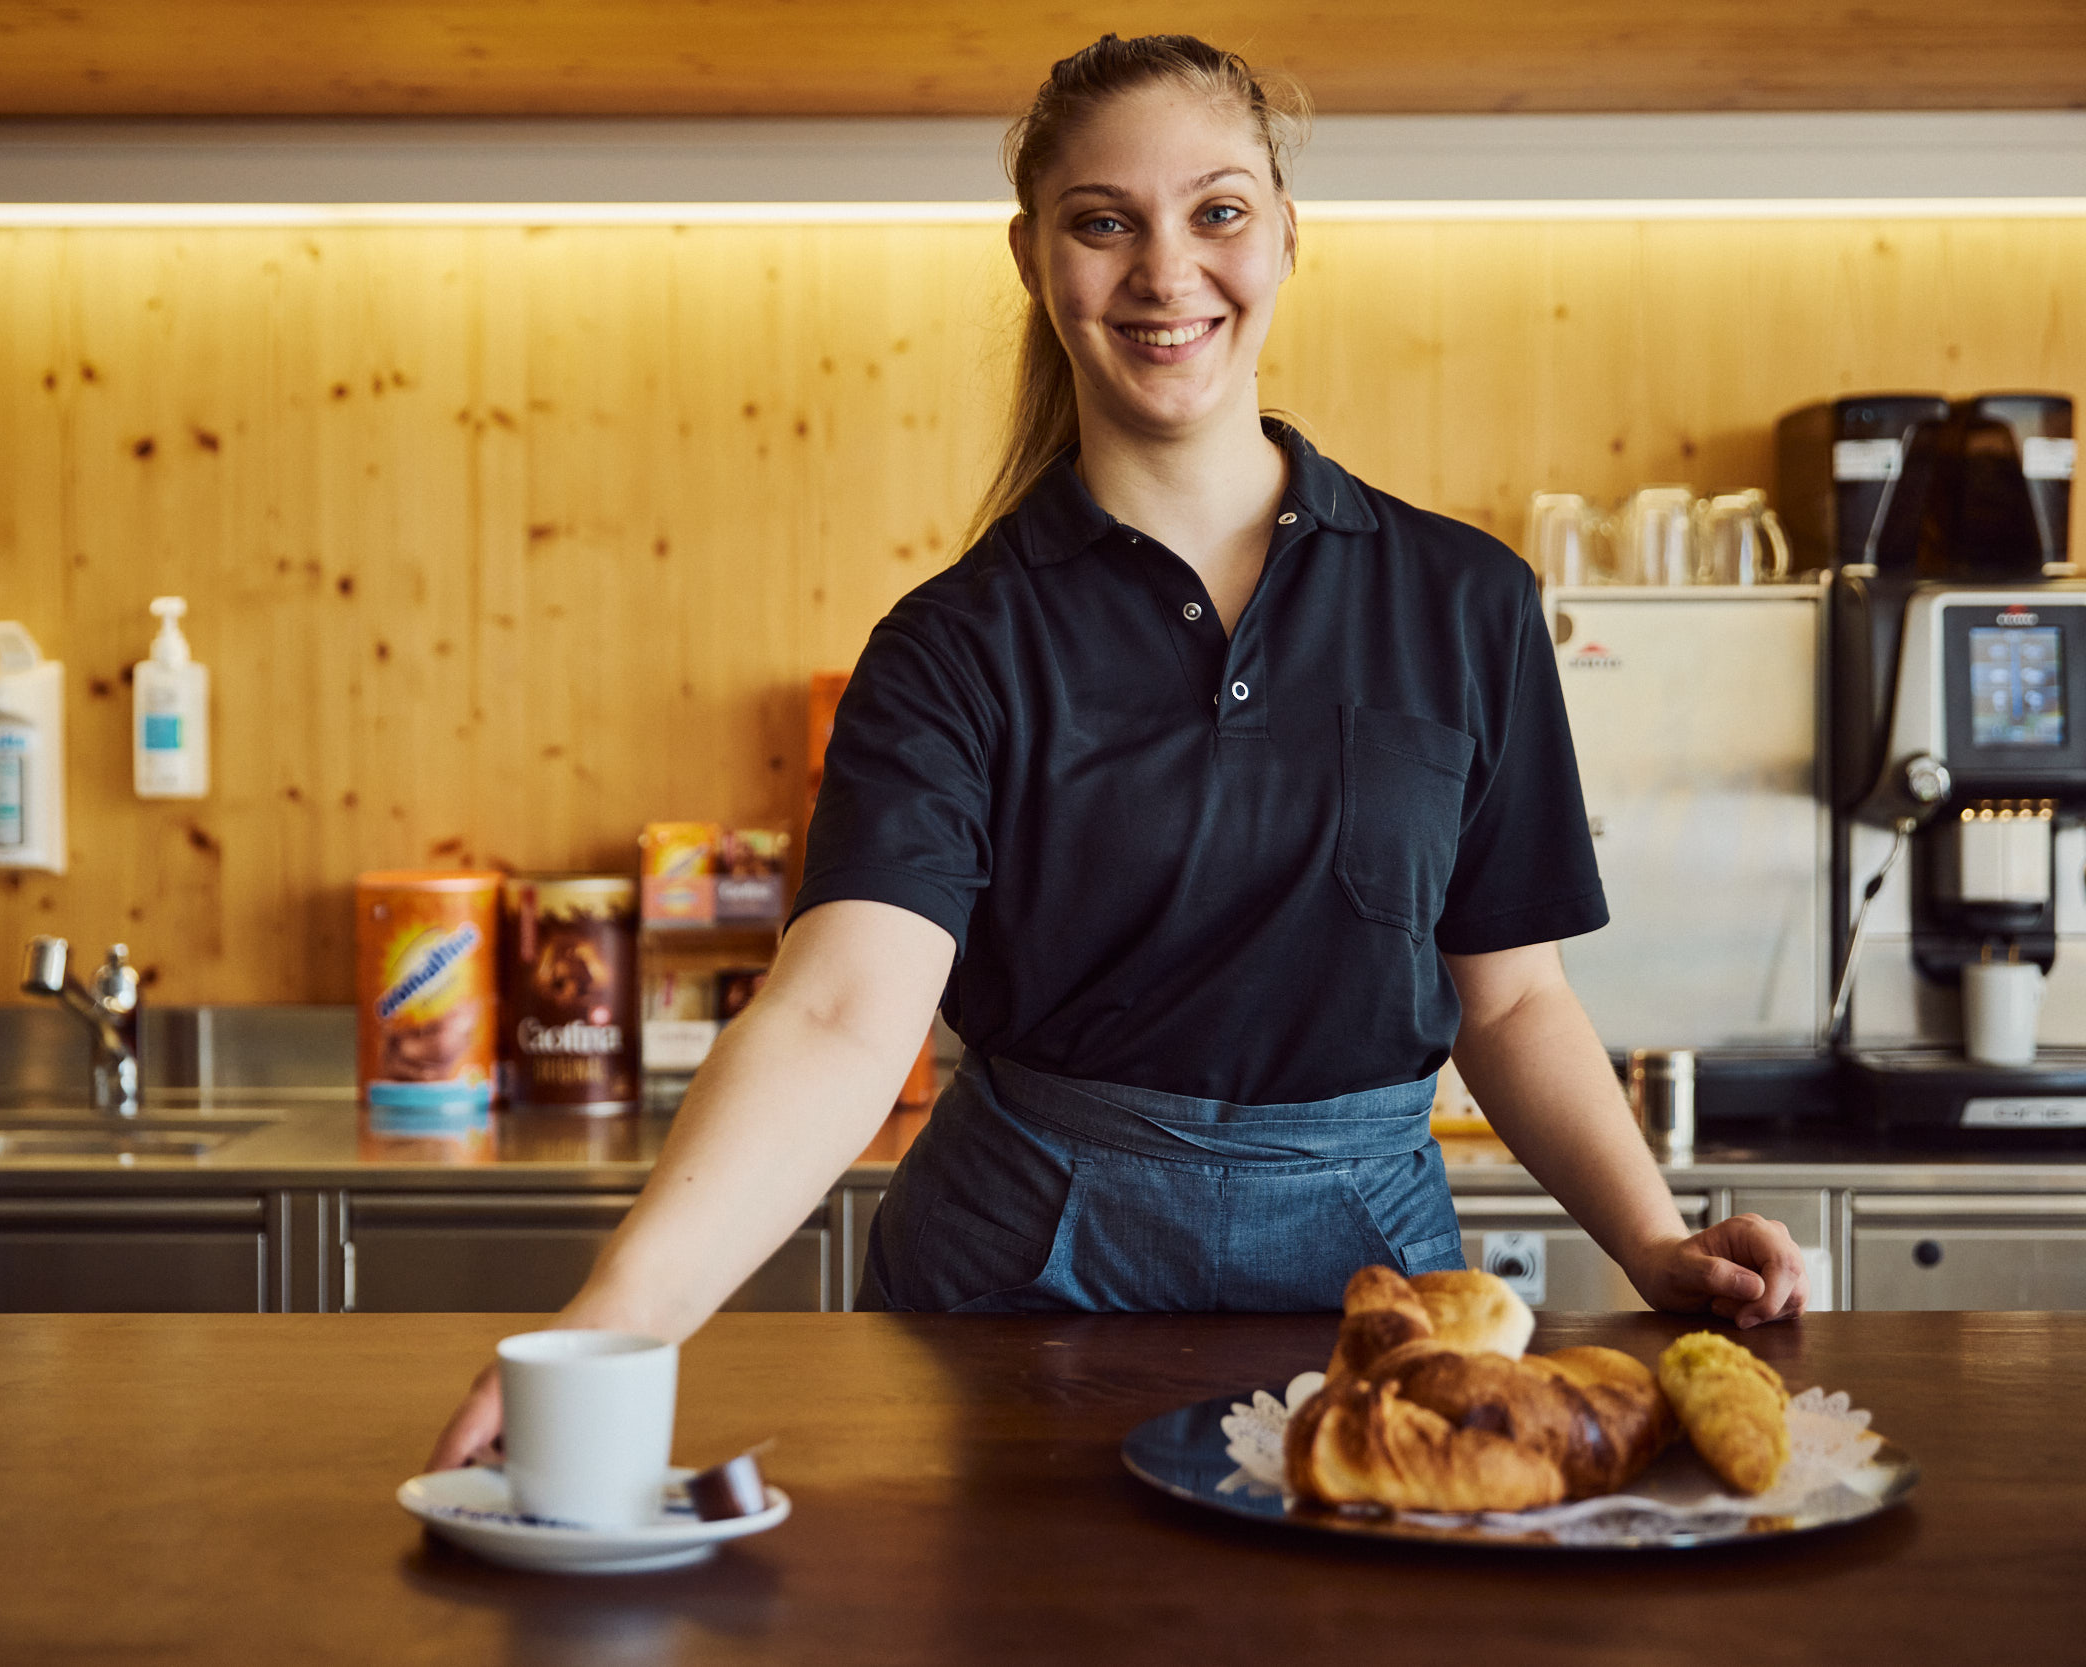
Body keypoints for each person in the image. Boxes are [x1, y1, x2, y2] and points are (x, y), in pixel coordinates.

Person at [429, 32, 1803, 1471]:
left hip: (1367, 1299)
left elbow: (1513, 1003)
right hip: (1020, 1286)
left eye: (1216, 212)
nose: (1165, 273)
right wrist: (620, 1316)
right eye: (1104, 223)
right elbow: (841, 1015)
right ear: (1034, 257)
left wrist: (1653, 1238)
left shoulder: (1465, 602)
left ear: (1285, 234)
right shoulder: (954, 647)